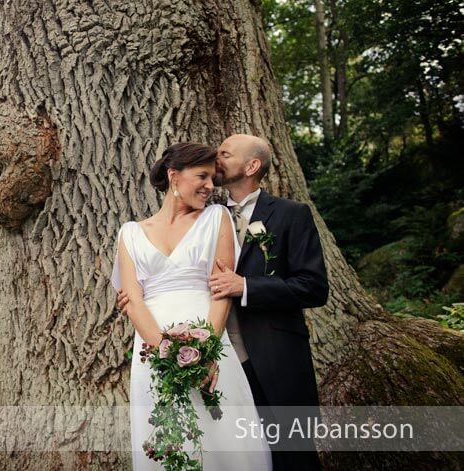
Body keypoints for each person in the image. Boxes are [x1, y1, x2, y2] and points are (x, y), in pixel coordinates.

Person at [118, 134, 329, 471]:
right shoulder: (208, 213)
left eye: (225, 155)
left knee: (290, 453)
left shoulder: (290, 214)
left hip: (270, 353)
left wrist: (246, 286)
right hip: (212, 351)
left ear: (252, 165)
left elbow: (314, 287)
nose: (216, 162)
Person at [112, 142, 272, 470]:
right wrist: (169, 355)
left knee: (223, 434)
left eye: (213, 178)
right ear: (174, 176)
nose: (210, 186)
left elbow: (221, 291)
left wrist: (205, 354)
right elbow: (133, 301)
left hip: (211, 345)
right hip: (153, 353)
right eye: (202, 176)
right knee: (170, 440)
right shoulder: (129, 234)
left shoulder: (217, 219)